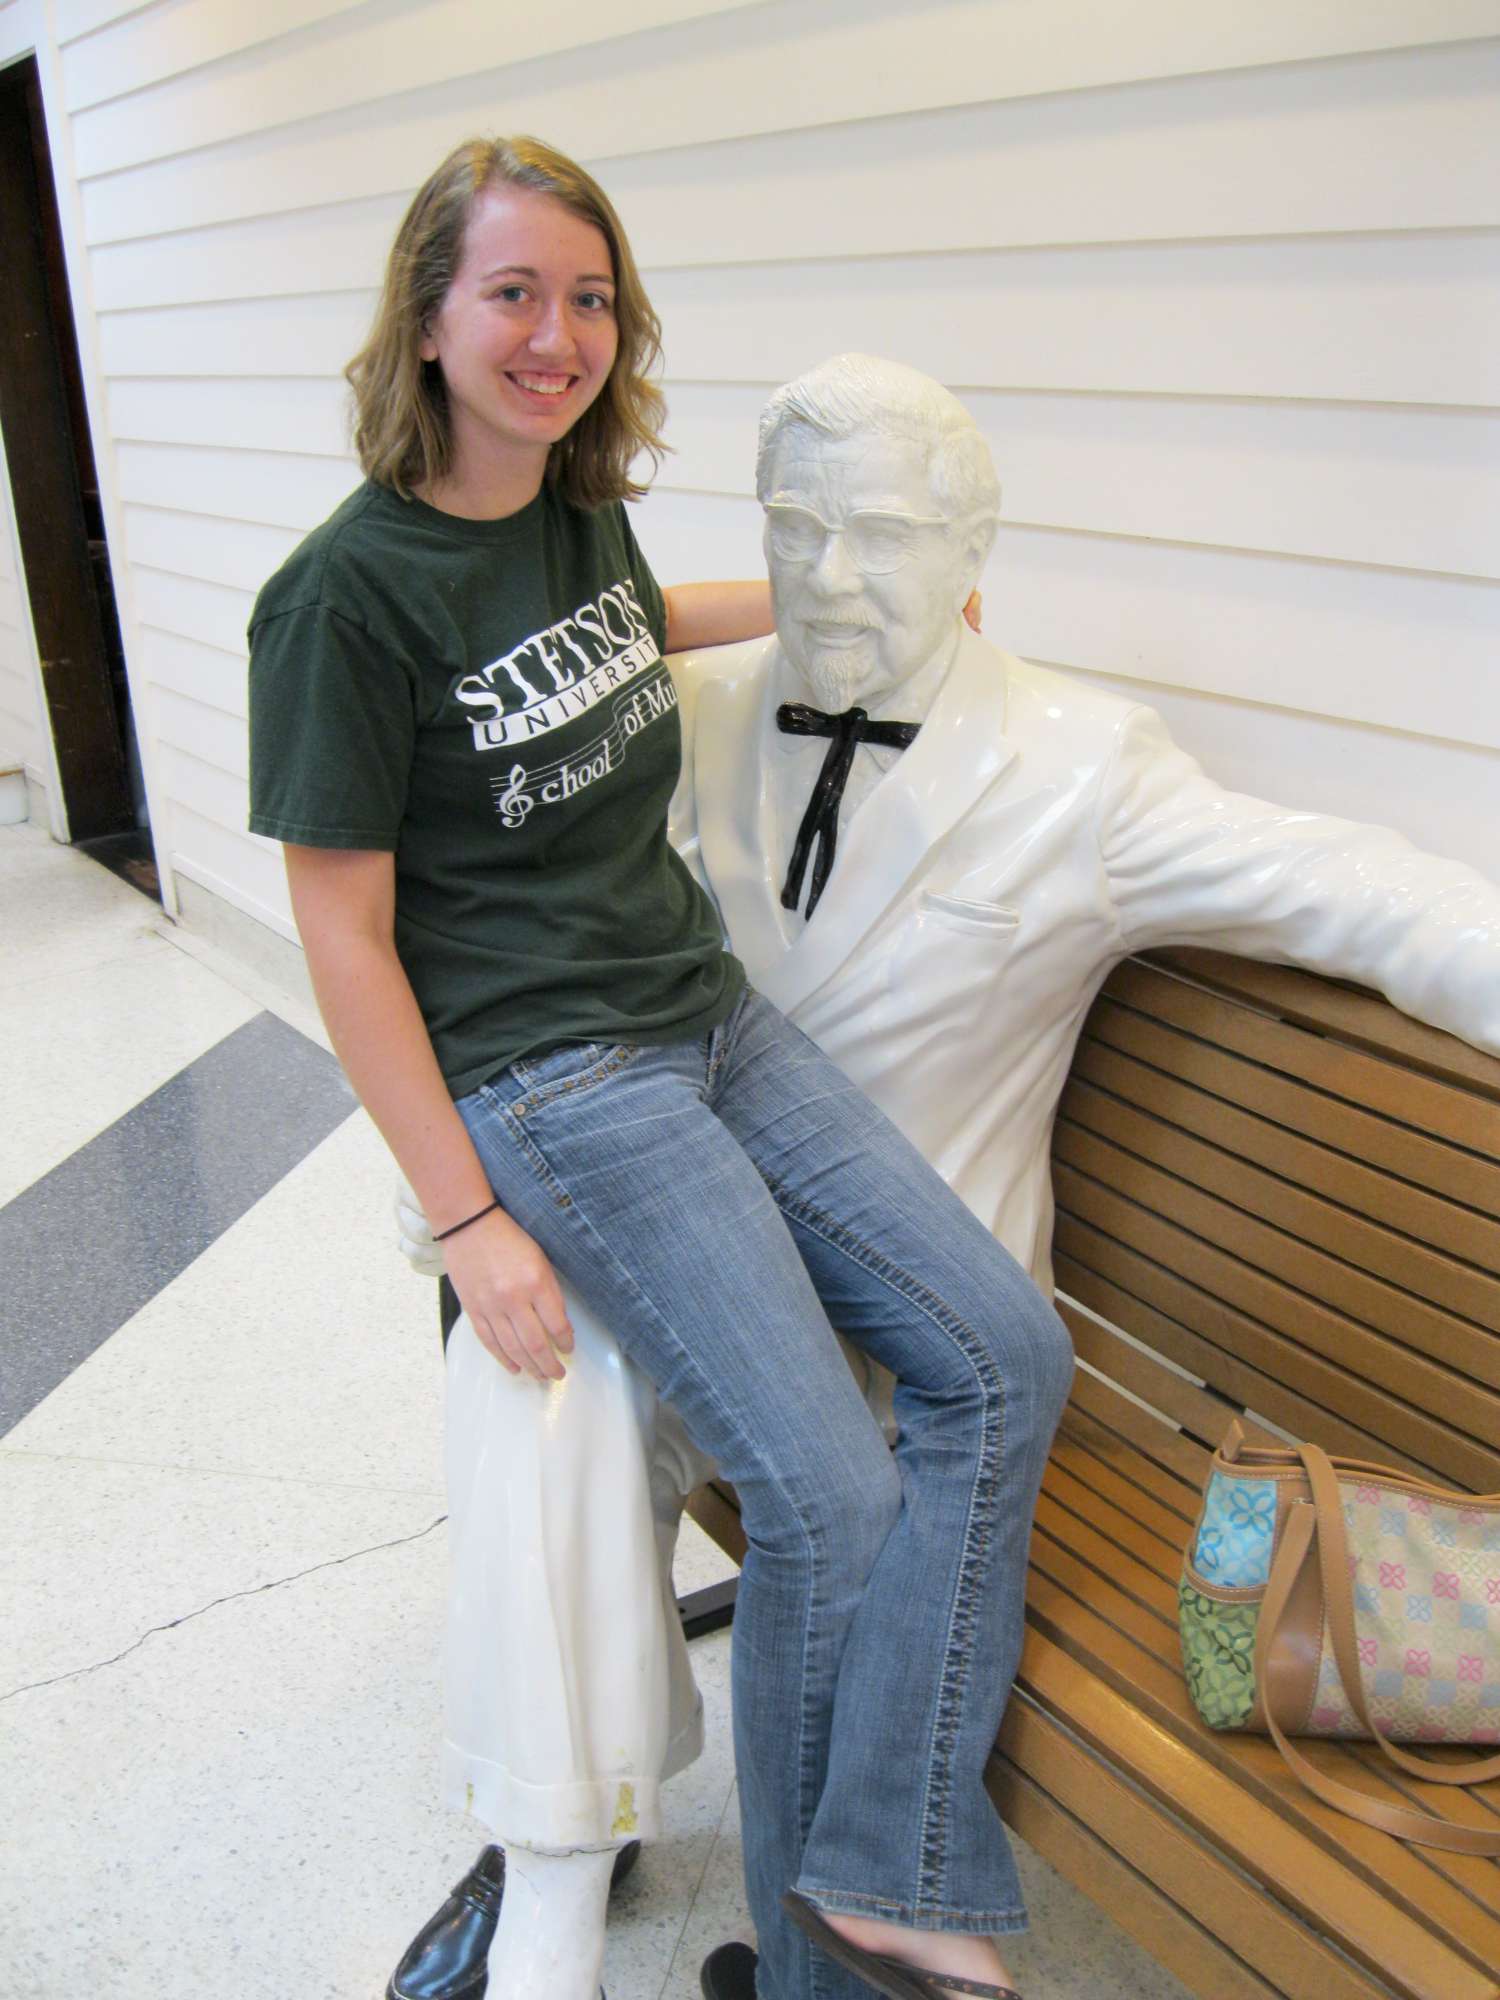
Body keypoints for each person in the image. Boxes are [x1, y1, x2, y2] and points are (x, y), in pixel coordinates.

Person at [395, 350, 1500, 1999]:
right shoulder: (688, 713)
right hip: (690, 1247)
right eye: (799, 528)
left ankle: (802, 1948)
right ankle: (552, 1861)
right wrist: (461, 1207)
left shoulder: (1082, 766)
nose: (835, 578)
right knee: (541, 1385)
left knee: (835, 1471)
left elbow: (1353, 887)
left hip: (919, 1300)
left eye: (889, 535)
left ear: (975, 549)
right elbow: (516, 934)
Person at [247, 142, 1072, 2000]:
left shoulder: (572, 512)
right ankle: (822, 1969)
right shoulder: (342, 602)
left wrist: (851, 617)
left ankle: (882, 1869)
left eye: (590, 299)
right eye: (513, 294)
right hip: (556, 1084)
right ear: (429, 317)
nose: (556, 335)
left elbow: (628, 632)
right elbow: (345, 938)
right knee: (826, 1497)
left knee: (1007, 1354)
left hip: (709, 1019)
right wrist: (468, 1221)